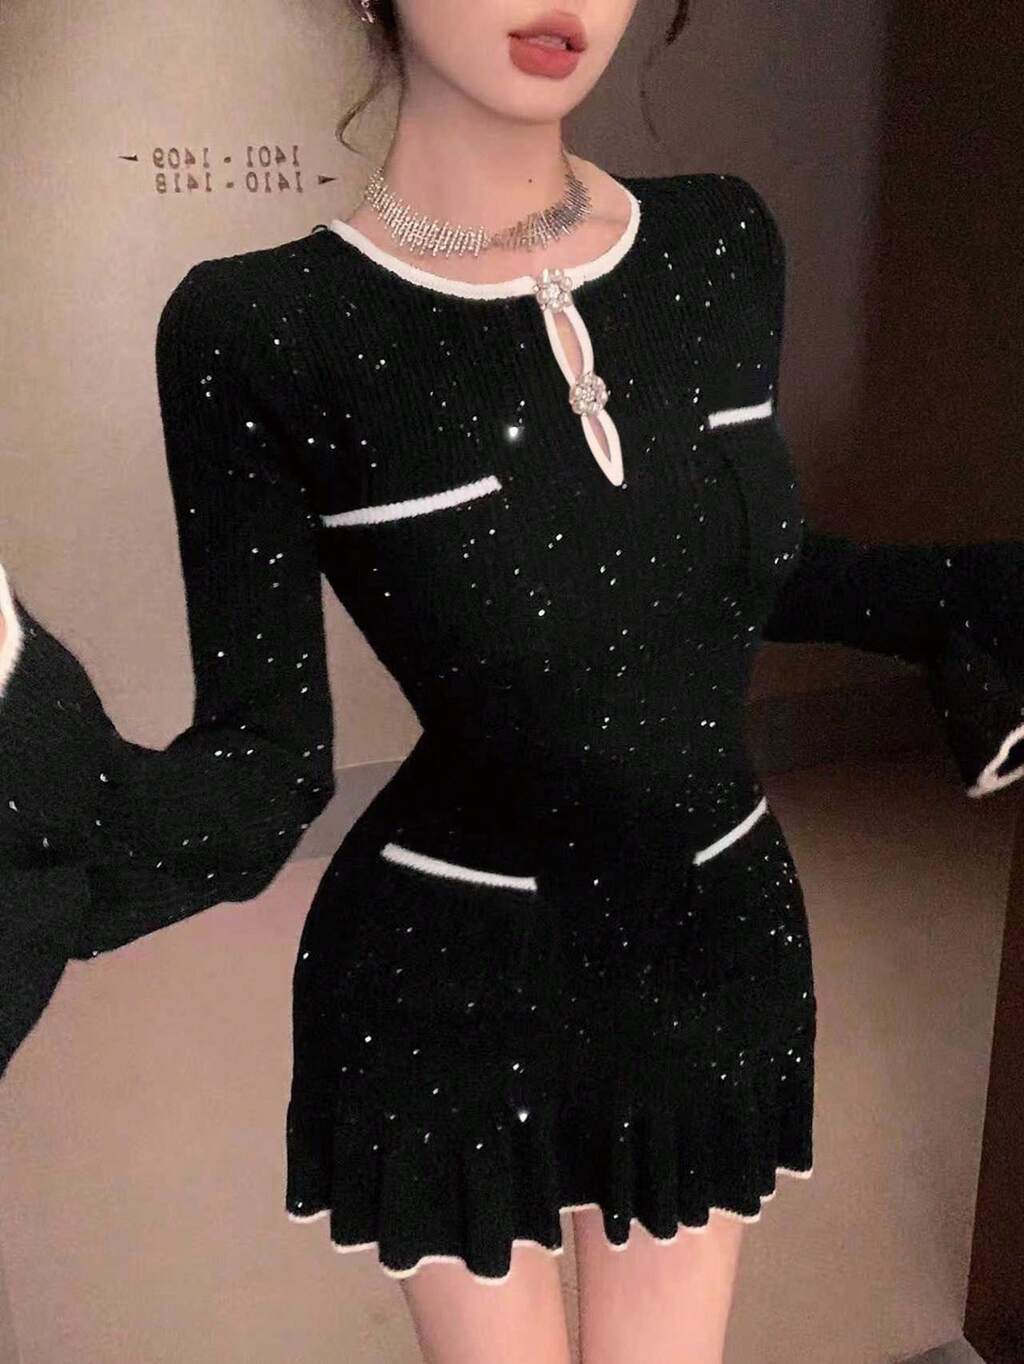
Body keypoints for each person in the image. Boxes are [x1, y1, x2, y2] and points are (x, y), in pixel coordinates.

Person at [2, 2, 1024, 1360]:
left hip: (716, 930)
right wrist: (32, 766)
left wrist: (978, 592)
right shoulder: (260, 330)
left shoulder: (722, 240)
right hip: (450, 971)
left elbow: (735, 566)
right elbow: (264, 770)